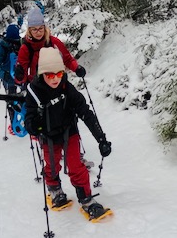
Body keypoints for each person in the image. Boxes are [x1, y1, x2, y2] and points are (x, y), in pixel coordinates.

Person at [23, 47, 113, 220]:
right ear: (42, 74)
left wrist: (101, 138)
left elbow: (85, 112)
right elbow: (29, 118)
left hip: (68, 132)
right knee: (52, 165)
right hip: (48, 137)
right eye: (50, 75)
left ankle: (86, 199)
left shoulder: (67, 88)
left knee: (75, 165)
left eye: (59, 73)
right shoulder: (34, 92)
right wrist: (35, 127)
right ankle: (55, 189)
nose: (55, 78)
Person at [14, 8, 84, 86]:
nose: (38, 32)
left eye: (40, 28)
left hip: (56, 82)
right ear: (29, 30)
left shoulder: (53, 42)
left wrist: (76, 68)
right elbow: (22, 74)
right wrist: (19, 77)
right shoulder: (25, 48)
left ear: (44, 28)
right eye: (34, 29)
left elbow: (67, 59)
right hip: (37, 86)